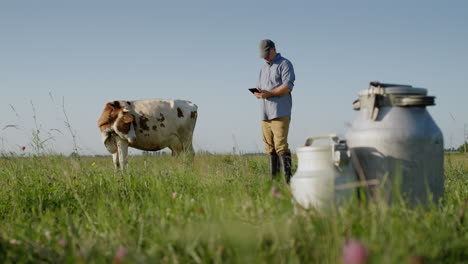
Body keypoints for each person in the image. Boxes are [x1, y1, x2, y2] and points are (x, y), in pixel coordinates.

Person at [253, 39, 295, 183]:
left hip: (280, 113)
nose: (265, 57)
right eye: (263, 55)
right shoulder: (262, 69)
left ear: (273, 49)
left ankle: (288, 182)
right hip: (265, 114)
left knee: (281, 147)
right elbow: (261, 88)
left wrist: (269, 93)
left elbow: (287, 87)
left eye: (267, 54)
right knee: (269, 148)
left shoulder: (285, 64)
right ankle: (274, 183)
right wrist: (259, 93)